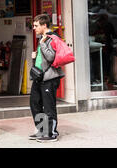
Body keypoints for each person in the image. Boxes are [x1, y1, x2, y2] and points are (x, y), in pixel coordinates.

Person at [29, 14, 65, 142]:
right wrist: (34, 58)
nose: (34, 28)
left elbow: (51, 57)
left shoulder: (53, 38)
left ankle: (52, 133)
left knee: (49, 106)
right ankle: (42, 130)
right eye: (33, 26)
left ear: (44, 25)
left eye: (36, 26)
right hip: (39, 76)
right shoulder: (43, 38)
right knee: (35, 103)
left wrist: (42, 44)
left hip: (50, 77)